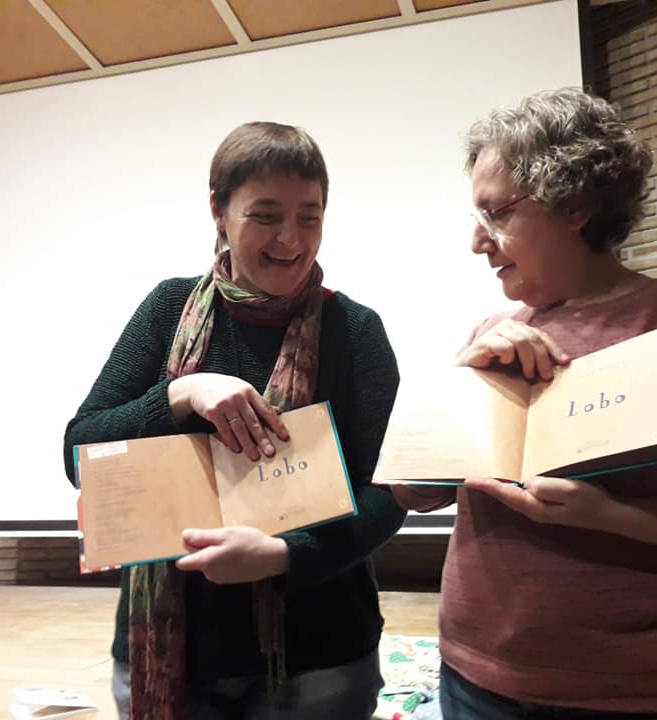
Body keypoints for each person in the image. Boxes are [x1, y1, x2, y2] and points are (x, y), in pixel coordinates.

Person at [389, 88, 657, 719]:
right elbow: (411, 493)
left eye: (495, 213)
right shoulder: (492, 333)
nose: (478, 243)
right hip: (477, 683)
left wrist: (611, 514)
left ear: (575, 205)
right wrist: (463, 382)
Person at [63, 121, 404, 720]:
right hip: (174, 651)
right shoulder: (168, 309)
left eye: (309, 217)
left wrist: (285, 554)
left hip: (319, 656)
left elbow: (389, 489)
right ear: (219, 212)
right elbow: (80, 455)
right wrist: (180, 393)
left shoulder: (354, 330)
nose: (290, 239)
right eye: (265, 216)